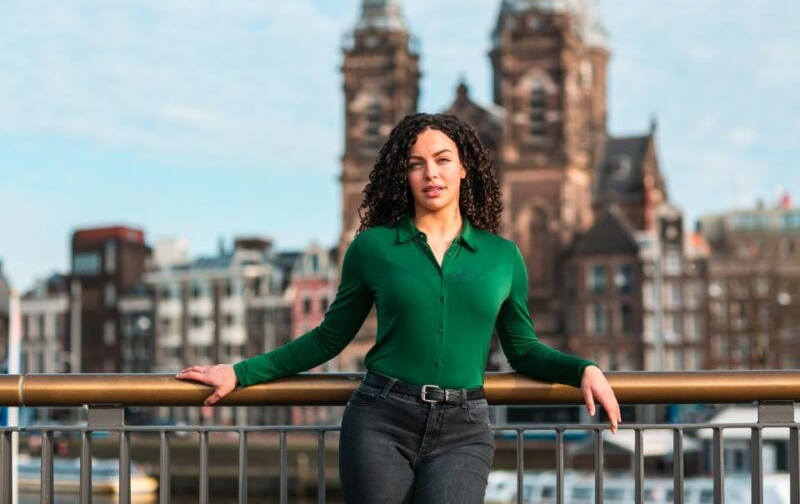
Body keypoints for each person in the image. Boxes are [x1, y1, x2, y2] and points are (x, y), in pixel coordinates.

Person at [176, 113, 621, 503]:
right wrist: (240, 373)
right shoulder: (372, 247)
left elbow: (522, 350)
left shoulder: (502, 256)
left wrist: (582, 369)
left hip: (464, 428)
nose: (431, 173)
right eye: (415, 163)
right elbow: (330, 337)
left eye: (443, 160)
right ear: (403, 174)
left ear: (464, 168)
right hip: (381, 421)